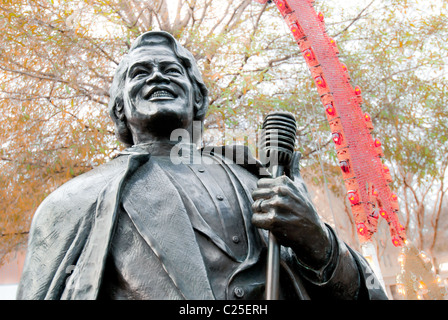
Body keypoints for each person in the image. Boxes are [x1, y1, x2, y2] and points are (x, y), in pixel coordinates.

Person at [17, 31, 387, 300]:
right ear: (119, 109)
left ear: (198, 99)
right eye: (140, 72)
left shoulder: (261, 178)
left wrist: (318, 244)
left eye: (171, 70)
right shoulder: (74, 203)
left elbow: (365, 293)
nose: (157, 76)